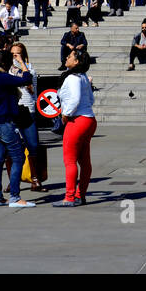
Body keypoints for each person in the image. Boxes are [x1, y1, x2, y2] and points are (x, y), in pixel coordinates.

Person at [0, 49, 36, 208]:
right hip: (5, 122)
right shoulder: (2, 77)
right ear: (6, 63)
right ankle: (15, 196)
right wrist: (21, 62)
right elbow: (28, 78)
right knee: (18, 157)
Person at [53, 49, 97, 207]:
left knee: (70, 161)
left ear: (77, 61)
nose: (67, 57)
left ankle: (69, 197)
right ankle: (80, 195)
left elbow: (75, 99)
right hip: (89, 119)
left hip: (77, 120)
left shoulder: (72, 78)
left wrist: (66, 113)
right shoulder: (83, 77)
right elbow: (90, 99)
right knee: (84, 161)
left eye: (70, 56)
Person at [10, 42, 44, 192]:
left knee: (33, 145)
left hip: (27, 109)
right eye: (12, 54)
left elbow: (31, 89)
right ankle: (13, 181)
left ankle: (35, 179)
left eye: (17, 54)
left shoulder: (30, 69)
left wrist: (22, 65)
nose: (15, 57)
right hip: (12, 110)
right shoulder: (8, 70)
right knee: (11, 147)